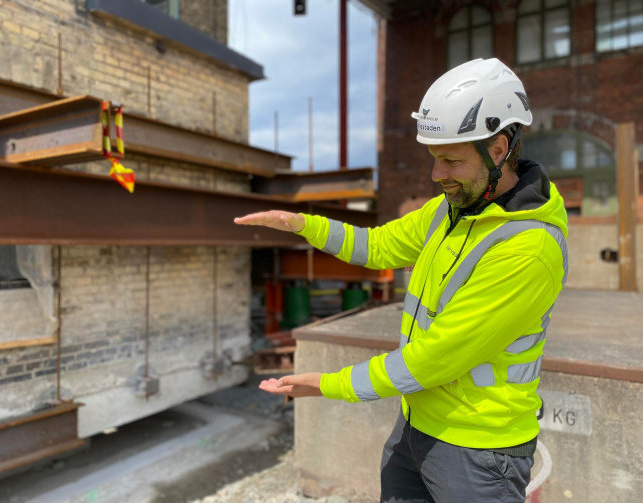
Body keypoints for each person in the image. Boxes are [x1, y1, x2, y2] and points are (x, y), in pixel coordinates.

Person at [234, 58, 568, 503]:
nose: (437, 175)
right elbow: (377, 247)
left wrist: (328, 384)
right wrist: (303, 225)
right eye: (435, 159)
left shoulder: (528, 248)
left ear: (500, 148)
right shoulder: (449, 211)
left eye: (451, 161)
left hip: (478, 450)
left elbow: (433, 360)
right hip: (416, 423)